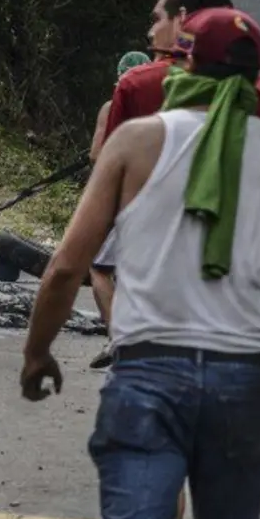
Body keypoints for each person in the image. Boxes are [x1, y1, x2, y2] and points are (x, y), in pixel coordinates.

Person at [19, 7, 260, 519]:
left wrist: (36, 353)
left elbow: (66, 266)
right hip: (244, 384)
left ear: (184, 65)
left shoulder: (133, 143)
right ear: (255, 77)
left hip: (148, 376)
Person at [88, 0, 260, 371]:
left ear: (182, 19)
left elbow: (109, 180)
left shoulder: (136, 84)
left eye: (156, 18)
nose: (150, 31)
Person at [86, 51, 151, 371]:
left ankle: (120, 339)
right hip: (161, 197)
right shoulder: (166, 107)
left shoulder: (112, 108)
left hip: (123, 198)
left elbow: (98, 155)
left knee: (99, 269)